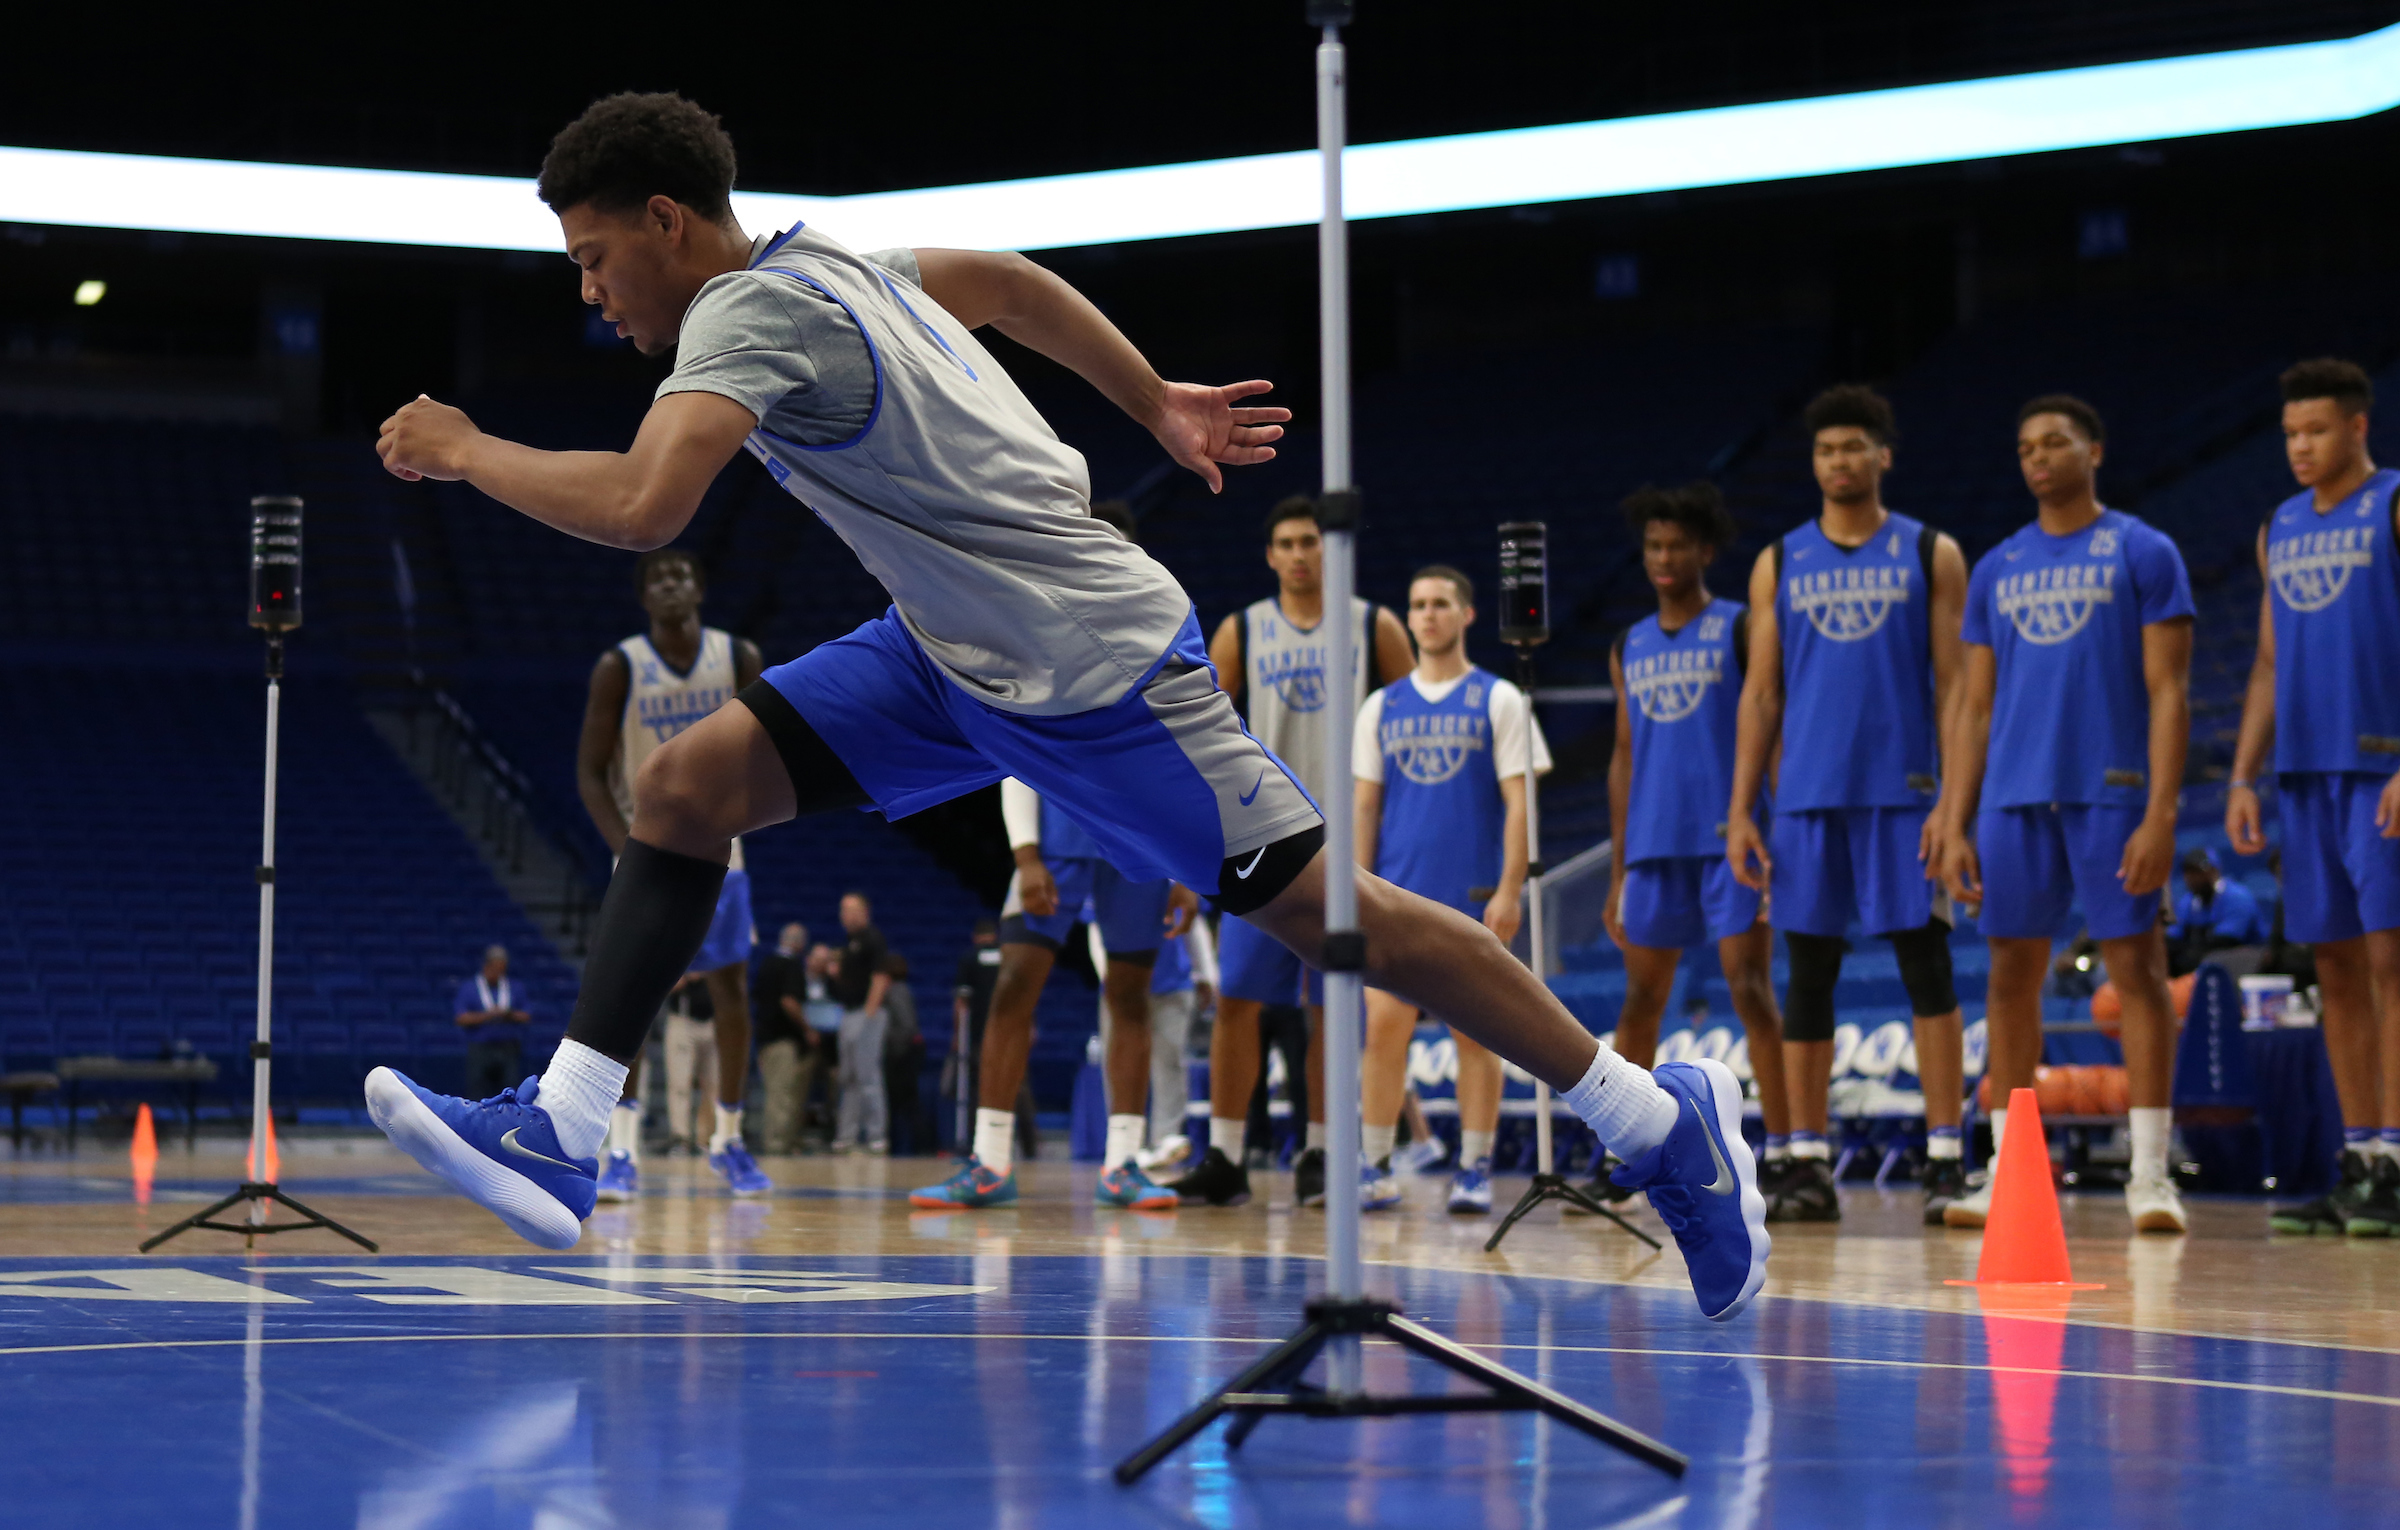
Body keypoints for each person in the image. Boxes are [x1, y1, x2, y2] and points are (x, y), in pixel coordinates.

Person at [360, 92, 1767, 1322]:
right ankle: (566, 1120)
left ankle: (1650, 1114)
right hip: (950, 653)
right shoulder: (832, 259)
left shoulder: (743, 309)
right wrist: (1152, 398)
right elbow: (1004, 281)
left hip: (1091, 670)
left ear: (666, 220)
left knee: (1344, 920)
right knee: (682, 790)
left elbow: (641, 503)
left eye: (595, 259)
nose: (591, 293)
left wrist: (467, 448)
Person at [1937, 394, 2194, 1234]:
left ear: (2096, 449)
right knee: (2009, 981)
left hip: (2112, 793)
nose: (2037, 457)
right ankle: (2014, 1174)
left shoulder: (2144, 550)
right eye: (2024, 447)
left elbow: (2169, 691)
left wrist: (2161, 813)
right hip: (2014, 796)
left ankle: (2151, 1174)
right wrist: (1954, 814)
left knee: (2138, 976)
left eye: (2055, 442)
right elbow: (1975, 707)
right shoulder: (1996, 566)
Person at [1726, 384, 1973, 1226]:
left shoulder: (1931, 551)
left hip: (1905, 798)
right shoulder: (1779, 560)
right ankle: (1805, 1160)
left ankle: (1946, 1156)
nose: (1839, 462)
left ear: (1883, 456)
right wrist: (1740, 810)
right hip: (1804, 803)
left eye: (1853, 447)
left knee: (1926, 967)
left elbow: (1957, 690)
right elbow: (1760, 694)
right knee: (1809, 978)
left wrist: (1951, 803)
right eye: (1826, 450)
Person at [1172, 497, 1415, 1209]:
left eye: (1311, 540)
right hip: (1259, 836)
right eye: (1286, 542)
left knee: (1331, 1005)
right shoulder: (1242, 628)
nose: (1301, 553)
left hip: (1346, 845)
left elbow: (1412, 723)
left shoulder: (1375, 625)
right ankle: (1223, 1153)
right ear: (1271, 555)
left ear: (1328, 549)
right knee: (1239, 1001)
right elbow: (1196, 731)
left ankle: (1319, 1151)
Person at [2228, 357, 2400, 1238]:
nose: (2300, 446)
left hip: (2380, 768)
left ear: (2359, 428)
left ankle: (2397, 1159)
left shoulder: (2395, 502)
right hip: (2301, 776)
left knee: (2389, 964)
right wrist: (2243, 774)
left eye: (2318, 430)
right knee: (2334, 968)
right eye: (2291, 433)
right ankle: (2362, 1158)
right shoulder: (2279, 525)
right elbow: (2265, 661)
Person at [1598, 485, 1794, 1213]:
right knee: (1641, 1001)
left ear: (1705, 551)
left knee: (1751, 991)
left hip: (1728, 842)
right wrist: (1617, 870)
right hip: (1653, 845)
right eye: (1653, 546)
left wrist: (1770, 834)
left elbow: (1769, 729)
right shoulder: (1629, 644)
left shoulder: (1742, 628)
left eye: (1677, 545)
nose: (1664, 558)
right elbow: (1623, 755)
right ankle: (1627, 1151)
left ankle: (1784, 1148)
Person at [1353, 564, 1549, 1216]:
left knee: (1476, 1037)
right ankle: (1375, 1163)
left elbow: (1521, 804)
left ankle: (1474, 1166)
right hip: (1396, 896)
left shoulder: (1498, 699)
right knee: (1383, 1031)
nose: (1428, 614)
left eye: (1440, 603)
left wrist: (1510, 889)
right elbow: (1364, 809)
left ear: (1466, 615)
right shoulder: (1380, 706)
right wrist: (1355, 892)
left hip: (1470, 896)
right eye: (1418, 604)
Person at [577, 546, 770, 1198]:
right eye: (657, 576)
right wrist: (623, 847)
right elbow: (590, 772)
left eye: (680, 573)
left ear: (700, 586)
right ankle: (623, 1151)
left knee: (731, 995)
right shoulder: (619, 667)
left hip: (723, 848)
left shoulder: (737, 657)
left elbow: (765, 751)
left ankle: (730, 1140)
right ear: (643, 596)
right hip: (646, 852)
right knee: (638, 998)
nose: (670, 583)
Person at [911, 769, 1194, 1208]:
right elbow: (1018, 750)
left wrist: (1183, 871)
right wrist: (1026, 857)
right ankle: (991, 1162)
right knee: (1013, 986)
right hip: (1058, 836)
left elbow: (1176, 763)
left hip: (1138, 841)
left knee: (1131, 998)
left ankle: (1122, 1164)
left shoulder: (1155, 697)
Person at [945, 919, 1039, 1160]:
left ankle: (980, 1146)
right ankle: (1030, 1146)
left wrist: (958, 1036)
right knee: (1019, 1088)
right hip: (1013, 1034)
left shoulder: (970, 958)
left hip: (981, 1035)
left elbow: (961, 1003)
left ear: (976, 937)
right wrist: (1031, 1027)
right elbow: (1025, 994)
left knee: (980, 1089)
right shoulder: (1009, 955)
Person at [1138, 920, 1216, 1170]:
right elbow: (1097, 927)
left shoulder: (1179, 881)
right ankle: (1127, 1143)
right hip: (1125, 982)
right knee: (1123, 1063)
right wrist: (1106, 977)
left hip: (1175, 982)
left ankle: (1167, 1136)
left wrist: (1206, 974)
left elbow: (1194, 924)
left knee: (1170, 1059)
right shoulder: (1116, 880)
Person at [829, 892, 893, 1154]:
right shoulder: (849, 943)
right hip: (849, 1012)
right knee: (850, 1077)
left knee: (868, 1076)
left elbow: (881, 977)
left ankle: (877, 1135)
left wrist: (869, 1014)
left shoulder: (872, 939)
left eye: (852, 910)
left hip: (866, 1015)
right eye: (843, 910)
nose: (847, 915)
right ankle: (847, 1134)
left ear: (865, 912)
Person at [752, 922, 817, 1155]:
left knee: (776, 1093)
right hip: (781, 1039)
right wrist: (807, 1029)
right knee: (782, 1095)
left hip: (765, 1038)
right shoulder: (791, 966)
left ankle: (780, 1142)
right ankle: (777, 1144)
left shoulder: (766, 963)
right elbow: (789, 1002)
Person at [2167, 848, 2267, 971]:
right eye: (2188, 872)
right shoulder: (2187, 902)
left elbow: (2226, 941)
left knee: (2205, 959)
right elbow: (2174, 937)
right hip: (2205, 955)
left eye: (2199, 872)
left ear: (2214, 872)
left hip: (2245, 958)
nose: (2193, 878)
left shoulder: (2237, 897)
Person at [454, 944, 532, 1099]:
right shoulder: (470, 988)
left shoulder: (514, 987)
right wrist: (487, 1015)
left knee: (508, 1092)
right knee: (477, 1091)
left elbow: (526, 1015)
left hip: (508, 1048)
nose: (499, 972)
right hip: (481, 1049)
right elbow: (461, 1018)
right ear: (487, 966)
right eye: (496, 968)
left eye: (502, 968)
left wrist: (507, 1014)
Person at [879, 952, 929, 1156]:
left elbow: (906, 1026)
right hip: (904, 1052)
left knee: (906, 1103)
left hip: (902, 1055)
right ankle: (911, 1145)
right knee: (906, 1104)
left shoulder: (896, 992)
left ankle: (919, 1146)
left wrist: (893, 1048)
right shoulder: (901, 990)